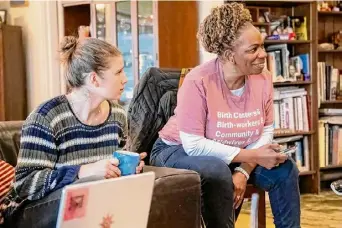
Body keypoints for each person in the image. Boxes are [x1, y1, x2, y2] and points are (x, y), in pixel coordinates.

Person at [150, 3, 300, 228]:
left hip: (232, 157)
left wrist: (243, 170)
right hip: (175, 150)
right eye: (253, 49)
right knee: (216, 170)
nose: (262, 55)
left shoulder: (263, 78)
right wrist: (252, 157)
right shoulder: (198, 81)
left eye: (262, 46)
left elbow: (266, 129)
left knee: (285, 169)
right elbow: (194, 145)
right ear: (229, 55)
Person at [1, 36, 145, 228]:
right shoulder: (46, 117)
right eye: (118, 72)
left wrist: (127, 169)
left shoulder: (118, 115)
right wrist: (84, 171)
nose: (125, 79)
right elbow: (25, 185)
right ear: (94, 79)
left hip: (92, 203)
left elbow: (111, 171)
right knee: (80, 198)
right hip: (29, 211)